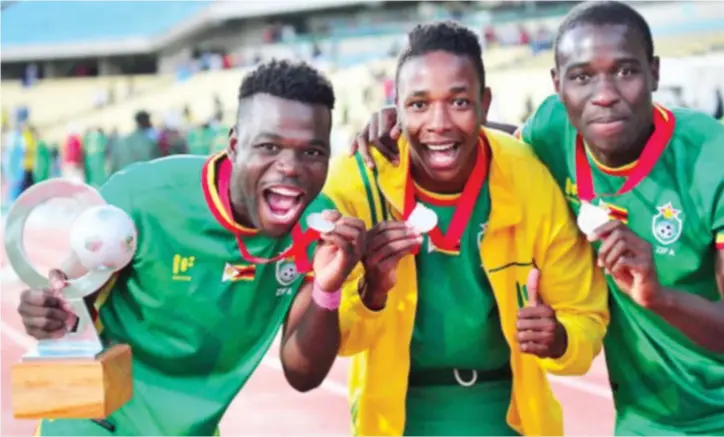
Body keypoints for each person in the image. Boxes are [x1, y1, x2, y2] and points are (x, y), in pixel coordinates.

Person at [354, 3, 724, 435]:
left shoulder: (710, 158)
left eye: (625, 71)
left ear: (655, 72)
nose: (604, 94)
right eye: (583, 77)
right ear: (558, 85)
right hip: (644, 418)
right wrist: (399, 121)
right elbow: (470, 131)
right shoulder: (551, 131)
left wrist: (659, 297)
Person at [17, 59, 365, 436]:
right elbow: (67, 291)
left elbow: (303, 375)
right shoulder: (143, 195)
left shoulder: (320, 225)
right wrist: (48, 309)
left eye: (312, 152)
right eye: (269, 146)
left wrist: (326, 290)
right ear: (234, 145)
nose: (291, 167)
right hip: (94, 423)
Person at [318, 21, 609, 436]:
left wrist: (559, 339)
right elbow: (341, 338)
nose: (439, 123)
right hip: (397, 415)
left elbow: (585, 317)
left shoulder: (527, 176)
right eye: (418, 105)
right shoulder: (358, 180)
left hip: (508, 413)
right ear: (396, 106)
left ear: (484, 103)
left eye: (458, 102)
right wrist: (373, 294)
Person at [108, 110, 159, 176]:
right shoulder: (147, 142)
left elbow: (113, 166)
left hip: (123, 179)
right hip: (139, 178)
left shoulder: (121, 141)